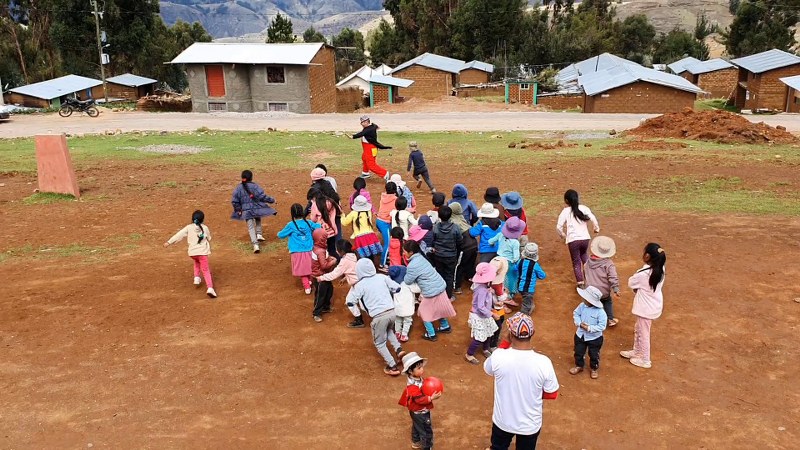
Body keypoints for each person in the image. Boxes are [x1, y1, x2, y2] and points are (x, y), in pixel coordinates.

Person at [484, 313, 559, 450]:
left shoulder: (499, 356)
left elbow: (488, 369)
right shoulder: (544, 362)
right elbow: (552, 394)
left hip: (503, 421)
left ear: (510, 334)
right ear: (533, 333)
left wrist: (505, 343)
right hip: (530, 424)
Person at [346, 258, 407, 375]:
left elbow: (351, 301)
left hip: (379, 317)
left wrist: (354, 305)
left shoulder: (360, 285)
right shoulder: (382, 277)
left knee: (379, 343)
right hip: (392, 312)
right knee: (388, 330)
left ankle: (392, 366)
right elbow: (397, 288)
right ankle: (399, 350)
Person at [621, 243, 666, 369]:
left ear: (647, 256)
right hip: (652, 306)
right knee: (639, 329)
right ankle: (637, 351)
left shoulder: (643, 274)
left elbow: (631, 283)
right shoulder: (660, 269)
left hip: (645, 309)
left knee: (644, 332)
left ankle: (645, 359)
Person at [403, 240, 456, 342]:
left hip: (430, 291)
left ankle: (431, 334)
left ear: (411, 253)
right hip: (439, 285)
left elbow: (407, 281)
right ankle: (445, 326)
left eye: (405, 251)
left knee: (424, 312)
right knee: (439, 308)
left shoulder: (412, 265)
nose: (403, 253)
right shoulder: (421, 258)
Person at [164, 210, 216, 298]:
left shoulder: (188, 227)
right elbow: (209, 238)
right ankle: (210, 288)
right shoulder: (205, 228)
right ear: (202, 219)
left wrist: (169, 242)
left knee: (196, 262)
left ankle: (196, 278)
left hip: (192, 253)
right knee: (206, 270)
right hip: (202, 253)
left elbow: (179, 235)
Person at [556, 189, 600, 287]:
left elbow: (558, 227)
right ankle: (590, 279)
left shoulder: (566, 211)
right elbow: (593, 218)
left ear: (566, 201)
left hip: (573, 240)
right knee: (584, 256)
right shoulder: (583, 208)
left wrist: (564, 236)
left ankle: (580, 283)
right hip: (585, 239)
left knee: (576, 262)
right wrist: (596, 228)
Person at [398, 352, 441, 450]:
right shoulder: (412, 386)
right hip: (420, 412)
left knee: (417, 425)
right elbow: (419, 399)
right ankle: (427, 447)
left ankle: (416, 442)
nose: (422, 369)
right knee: (426, 431)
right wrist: (431, 398)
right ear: (410, 371)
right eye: (419, 368)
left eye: (422, 367)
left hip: (415, 412)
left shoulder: (416, 378)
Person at [277, 203, 322, 295]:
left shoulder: (290, 225)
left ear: (292, 214)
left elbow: (280, 235)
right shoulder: (308, 223)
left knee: (302, 270)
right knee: (310, 267)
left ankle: (307, 286)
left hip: (297, 251)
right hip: (310, 249)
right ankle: (310, 281)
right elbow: (318, 226)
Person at [318, 240, 362, 328]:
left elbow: (334, 274)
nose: (336, 251)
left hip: (359, 285)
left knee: (359, 303)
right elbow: (353, 270)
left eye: (337, 250)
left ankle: (360, 320)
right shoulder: (354, 255)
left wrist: (321, 277)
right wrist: (346, 278)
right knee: (352, 301)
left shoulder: (345, 261)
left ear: (341, 251)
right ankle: (359, 319)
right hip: (360, 282)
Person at [231, 170, 277, 254]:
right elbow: (263, 197)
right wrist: (272, 200)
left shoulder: (238, 188)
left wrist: (238, 210)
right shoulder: (255, 186)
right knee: (258, 217)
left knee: (251, 227)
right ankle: (259, 234)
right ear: (251, 178)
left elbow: (234, 201)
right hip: (256, 208)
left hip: (246, 211)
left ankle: (255, 245)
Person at [465, 262, 499, 365]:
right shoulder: (481, 290)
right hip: (480, 316)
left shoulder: (482, 286)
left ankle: (485, 349)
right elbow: (480, 307)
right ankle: (469, 354)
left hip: (485, 315)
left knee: (488, 332)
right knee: (479, 338)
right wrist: (492, 314)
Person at [570, 286, 608, 379]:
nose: (583, 299)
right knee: (578, 351)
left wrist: (589, 328)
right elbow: (576, 313)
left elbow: (602, 326)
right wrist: (579, 323)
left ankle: (594, 368)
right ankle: (579, 365)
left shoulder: (601, 312)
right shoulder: (582, 305)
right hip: (580, 335)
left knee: (594, 354)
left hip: (595, 338)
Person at [584, 236, 620, 326]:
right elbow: (613, 277)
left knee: (590, 303)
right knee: (607, 301)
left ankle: (588, 319)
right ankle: (610, 319)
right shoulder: (609, 263)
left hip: (590, 290)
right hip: (603, 291)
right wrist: (615, 289)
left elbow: (585, 272)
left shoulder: (588, 261)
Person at [488, 217, 525, 305]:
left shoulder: (500, 234)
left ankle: (500, 295)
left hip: (499, 261)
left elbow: (490, 241)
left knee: (500, 279)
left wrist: (493, 244)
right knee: (512, 280)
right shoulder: (515, 242)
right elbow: (516, 257)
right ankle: (509, 297)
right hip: (510, 263)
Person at [341, 195, 383, 268]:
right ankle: (372, 266)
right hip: (370, 235)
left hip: (360, 237)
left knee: (363, 255)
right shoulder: (368, 212)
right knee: (371, 253)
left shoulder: (354, 213)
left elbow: (344, 222)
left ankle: (365, 268)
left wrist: (342, 214)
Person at [431, 205, 463, 300]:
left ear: (439, 216)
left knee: (440, 274)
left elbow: (433, 240)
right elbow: (459, 241)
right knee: (449, 275)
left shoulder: (435, 228)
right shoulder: (455, 228)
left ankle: (440, 295)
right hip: (451, 256)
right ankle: (448, 296)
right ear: (450, 215)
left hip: (439, 255)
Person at [449, 202, 477, 295]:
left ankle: (456, 286)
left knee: (458, 266)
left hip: (465, 246)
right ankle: (472, 279)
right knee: (469, 263)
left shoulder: (452, 221)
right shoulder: (462, 218)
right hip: (473, 244)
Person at [352, 115, 391, 180]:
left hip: (370, 148)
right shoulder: (371, 127)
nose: (362, 123)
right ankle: (365, 173)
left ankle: (385, 174)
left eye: (364, 122)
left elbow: (362, 133)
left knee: (371, 165)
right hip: (368, 148)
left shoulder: (369, 129)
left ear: (368, 121)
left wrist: (353, 136)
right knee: (364, 158)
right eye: (362, 122)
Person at [311, 228, 337, 323]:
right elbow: (324, 265)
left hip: (324, 275)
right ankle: (316, 313)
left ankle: (326, 307)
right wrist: (333, 262)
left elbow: (324, 259)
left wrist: (329, 258)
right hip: (319, 277)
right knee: (320, 295)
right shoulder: (320, 251)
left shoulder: (319, 248)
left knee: (329, 290)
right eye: (325, 239)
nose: (326, 240)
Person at [309, 189, 342, 262]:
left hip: (321, 232)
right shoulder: (330, 201)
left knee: (322, 251)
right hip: (332, 231)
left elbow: (313, 219)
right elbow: (339, 210)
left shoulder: (315, 204)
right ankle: (339, 263)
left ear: (313, 197)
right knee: (332, 250)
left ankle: (326, 266)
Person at [517, 243, 547, 314]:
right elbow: (543, 276)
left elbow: (516, 269)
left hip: (519, 286)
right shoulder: (535, 265)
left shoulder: (520, 261)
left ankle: (529, 305)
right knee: (526, 305)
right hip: (529, 290)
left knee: (526, 298)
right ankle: (523, 317)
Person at [389, 266, 415, 343]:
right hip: (407, 308)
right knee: (407, 321)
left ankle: (397, 333)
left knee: (398, 320)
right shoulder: (408, 283)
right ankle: (404, 334)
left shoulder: (392, 284)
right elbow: (417, 289)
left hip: (397, 308)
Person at [376, 182, 399, 266]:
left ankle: (385, 255)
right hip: (385, 223)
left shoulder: (383, 197)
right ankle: (382, 264)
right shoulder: (396, 199)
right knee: (388, 243)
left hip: (378, 221)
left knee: (388, 237)